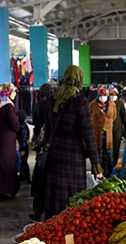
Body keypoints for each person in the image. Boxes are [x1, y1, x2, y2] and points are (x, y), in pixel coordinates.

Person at [42, 65, 103, 219]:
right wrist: (96, 165)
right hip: (73, 158)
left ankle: (53, 226)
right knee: (72, 196)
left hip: (54, 156)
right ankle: (68, 230)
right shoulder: (80, 101)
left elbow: (47, 131)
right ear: (79, 80)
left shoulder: (52, 99)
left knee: (55, 194)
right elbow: (88, 135)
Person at [0, 83, 20, 201]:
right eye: (13, 91)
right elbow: (14, 124)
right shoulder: (7, 106)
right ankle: (5, 190)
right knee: (5, 165)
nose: (15, 94)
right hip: (4, 142)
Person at [30, 83, 56, 221]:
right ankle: (48, 212)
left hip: (42, 148)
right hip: (51, 147)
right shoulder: (55, 105)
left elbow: (35, 123)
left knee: (39, 181)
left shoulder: (39, 105)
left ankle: (37, 211)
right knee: (47, 182)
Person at [90, 87, 117, 175]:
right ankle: (98, 175)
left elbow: (114, 116)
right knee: (98, 155)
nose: (103, 97)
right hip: (97, 134)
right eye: (101, 95)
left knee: (109, 155)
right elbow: (89, 117)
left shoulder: (112, 104)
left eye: (104, 95)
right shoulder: (92, 105)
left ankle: (109, 174)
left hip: (108, 134)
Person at [110, 87, 126, 170]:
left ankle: (114, 165)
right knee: (108, 149)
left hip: (117, 129)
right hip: (108, 130)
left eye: (114, 94)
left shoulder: (120, 103)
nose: (113, 96)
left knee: (116, 148)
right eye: (111, 94)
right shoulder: (107, 103)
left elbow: (124, 117)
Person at [17, 109, 30, 184]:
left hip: (23, 147)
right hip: (23, 147)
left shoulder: (22, 127)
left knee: (23, 163)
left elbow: (24, 138)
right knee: (23, 162)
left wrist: (22, 149)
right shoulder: (22, 125)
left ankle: (25, 177)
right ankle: (25, 177)